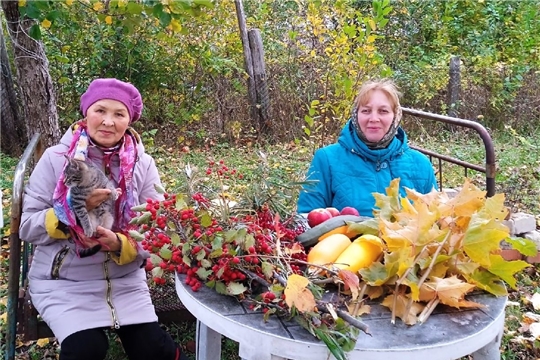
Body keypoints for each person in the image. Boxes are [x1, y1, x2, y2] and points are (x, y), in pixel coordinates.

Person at [19, 78, 189, 360]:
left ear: (129, 121)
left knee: (153, 349)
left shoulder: (142, 164)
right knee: (86, 349)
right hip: (65, 282)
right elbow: (27, 225)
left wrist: (122, 244)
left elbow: (159, 230)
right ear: (86, 113)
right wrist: (73, 212)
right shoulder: (56, 159)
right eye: (100, 110)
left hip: (125, 280)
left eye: (119, 114)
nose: (108, 121)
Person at [297, 78, 437, 217]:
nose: (374, 118)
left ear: (396, 116)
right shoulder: (327, 159)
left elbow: (435, 221)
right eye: (366, 111)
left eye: (383, 111)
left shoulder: (421, 164)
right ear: (355, 115)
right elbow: (307, 219)